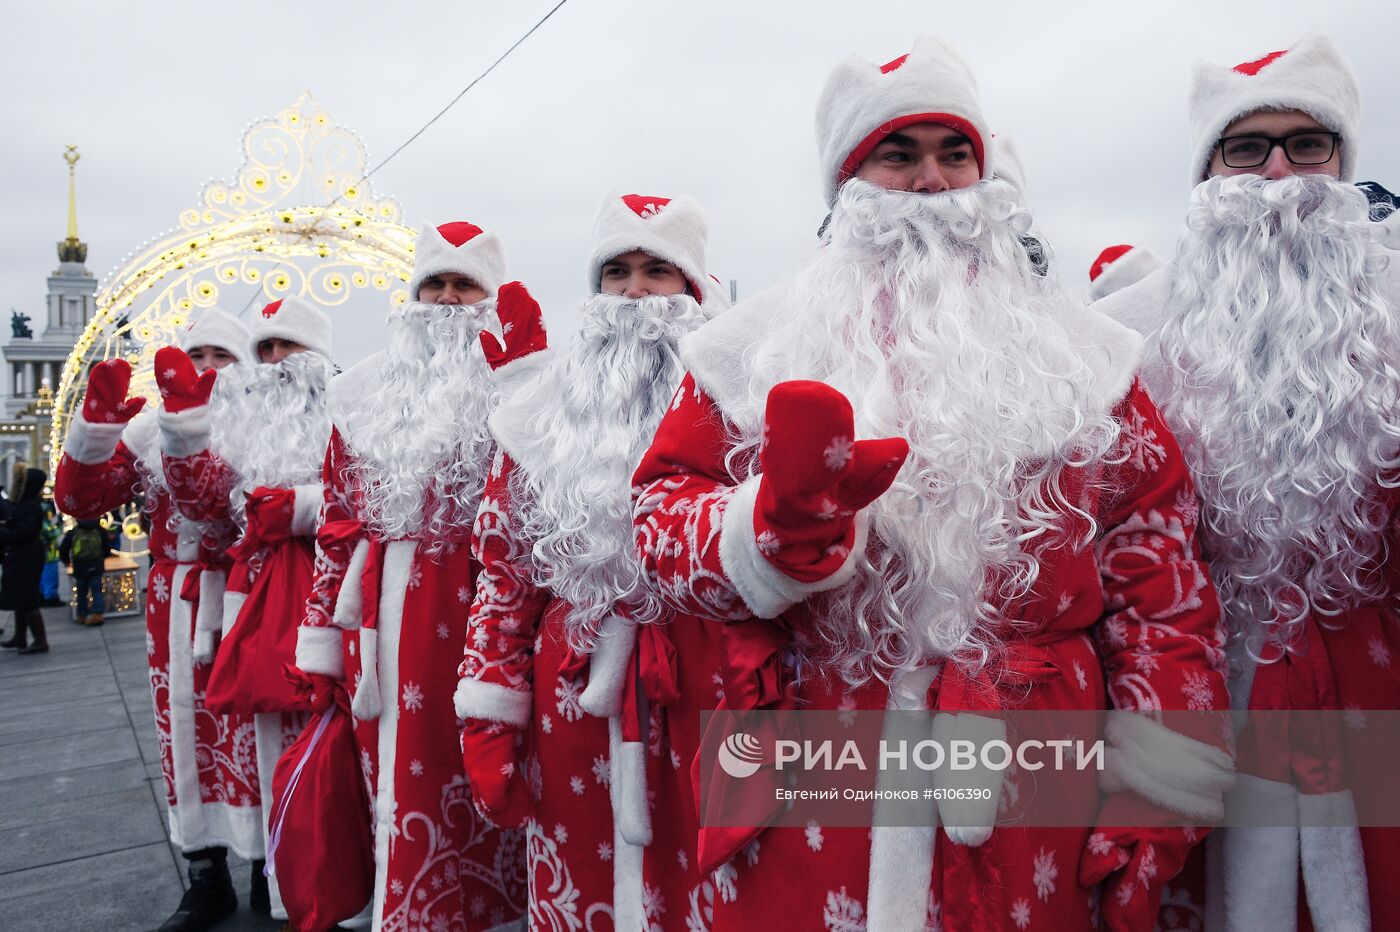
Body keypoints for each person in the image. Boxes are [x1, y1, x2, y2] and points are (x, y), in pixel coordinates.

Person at [630, 35, 1233, 930]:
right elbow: (659, 517)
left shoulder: (1090, 359)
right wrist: (767, 532)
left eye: (956, 155)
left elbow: (1159, 579)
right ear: (848, 183)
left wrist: (1159, 780)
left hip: (1032, 773)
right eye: (898, 155)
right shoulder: (745, 351)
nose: (931, 182)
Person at [1092, 34, 1399, 931]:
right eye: (1245, 148)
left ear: (1343, 161)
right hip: (1197, 697)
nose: (1276, 172)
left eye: (1307, 144)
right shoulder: (1124, 339)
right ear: (1207, 173)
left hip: (1372, 688)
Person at [456, 192, 727, 928]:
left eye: (658, 271)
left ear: (694, 287)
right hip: (573, 700)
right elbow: (504, 576)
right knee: (582, 886)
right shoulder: (539, 412)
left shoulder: (740, 396)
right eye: (617, 272)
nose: (635, 291)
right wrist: (490, 710)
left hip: (707, 691)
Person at [293, 220, 545, 930]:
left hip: (482, 614)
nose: (445, 300)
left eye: (465, 286)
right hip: (379, 622)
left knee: (482, 780)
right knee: (397, 789)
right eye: (432, 284)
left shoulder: (522, 380)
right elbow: (338, 522)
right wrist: (318, 637)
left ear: (491, 300)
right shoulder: (364, 393)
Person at [54, 308, 265, 932]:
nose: (205, 370)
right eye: (195, 357)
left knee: (255, 734)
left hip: (244, 594)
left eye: (219, 357)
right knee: (183, 737)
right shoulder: (148, 433)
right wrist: (95, 428)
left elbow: (221, 510)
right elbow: (79, 502)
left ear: (241, 367)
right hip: (173, 604)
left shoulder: (264, 430)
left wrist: (187, 427)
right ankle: (206, 878)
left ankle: (267, 871)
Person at [154, 294, 336, 923]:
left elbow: (372, 497)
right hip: (253, 608)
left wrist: (302, 508)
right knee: (256, 734)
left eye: (291, 345)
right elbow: (205, 504)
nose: (277, 359)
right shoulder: (236, 430)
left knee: (331, 746)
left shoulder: (354, 416)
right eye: (266, 348)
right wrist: (182, 425)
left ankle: (323, 873)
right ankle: (263, 869)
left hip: (331, 600)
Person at [0, 466, 51, 653]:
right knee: (20, 598)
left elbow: (24, 533)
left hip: (25, 556)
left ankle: (40, 639)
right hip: (23, 555)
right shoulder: (29, 503)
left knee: (27, 598)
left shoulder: (29, 505)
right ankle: (20, 636)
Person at [59, 516, 114, 625]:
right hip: (96, 565)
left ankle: (82, 615)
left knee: (81, 591)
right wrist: (101, 558)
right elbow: (107, 549)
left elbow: (63, 549)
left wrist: (67, 561)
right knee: (97, 590)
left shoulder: (74, 532)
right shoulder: (100, 530)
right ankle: (97, 614)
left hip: (79, 566)